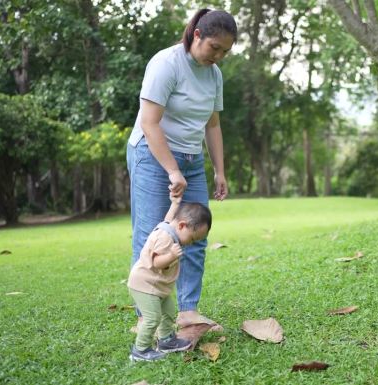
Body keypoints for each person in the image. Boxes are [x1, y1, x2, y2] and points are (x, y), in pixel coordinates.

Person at [126, 8, 237, 332]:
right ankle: (146, 317)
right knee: (151, 234)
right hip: (151, 153)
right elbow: (149, 122)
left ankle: (187, 312)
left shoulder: (214, 75)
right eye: (214, 47)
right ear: (197, 35)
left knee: (196, 232)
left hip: (190, 157)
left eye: (225, 52)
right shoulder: (166, 63)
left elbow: (212, 125)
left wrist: (219, 170)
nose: (217, 56)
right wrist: (172, 170)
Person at [127, 193, 212, 361]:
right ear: (182, 226)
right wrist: (171, 255)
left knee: (168, 311)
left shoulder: (170, 228)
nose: (191, 243)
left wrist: (174, 203)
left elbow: (168, 218)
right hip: (144, 285)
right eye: (193, 238)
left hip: (156, 286)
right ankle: (140, 350)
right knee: (152, 318)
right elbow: (156, 262)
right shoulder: (165, 238)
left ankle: (166, 341)